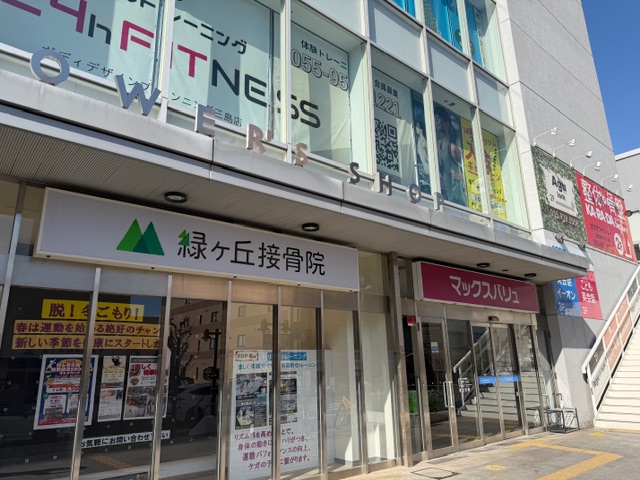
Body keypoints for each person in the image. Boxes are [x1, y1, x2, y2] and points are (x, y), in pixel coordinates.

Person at [434, 105, 466, 206]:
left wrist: (461, 176)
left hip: (456, 198)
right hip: (444, 196)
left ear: (447, 124)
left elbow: (470, 172)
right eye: (435, 118)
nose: (436, 121)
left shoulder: (452, 148)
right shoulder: (438, 144)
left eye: (439, 118)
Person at [415, 121, 431, 194]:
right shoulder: (419, 140)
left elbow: (430, 153)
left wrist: (427, 158)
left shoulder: (424, 141)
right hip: (423, 169)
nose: (416, 128)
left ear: (421, 129)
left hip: (426, 169)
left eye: (417, 127)